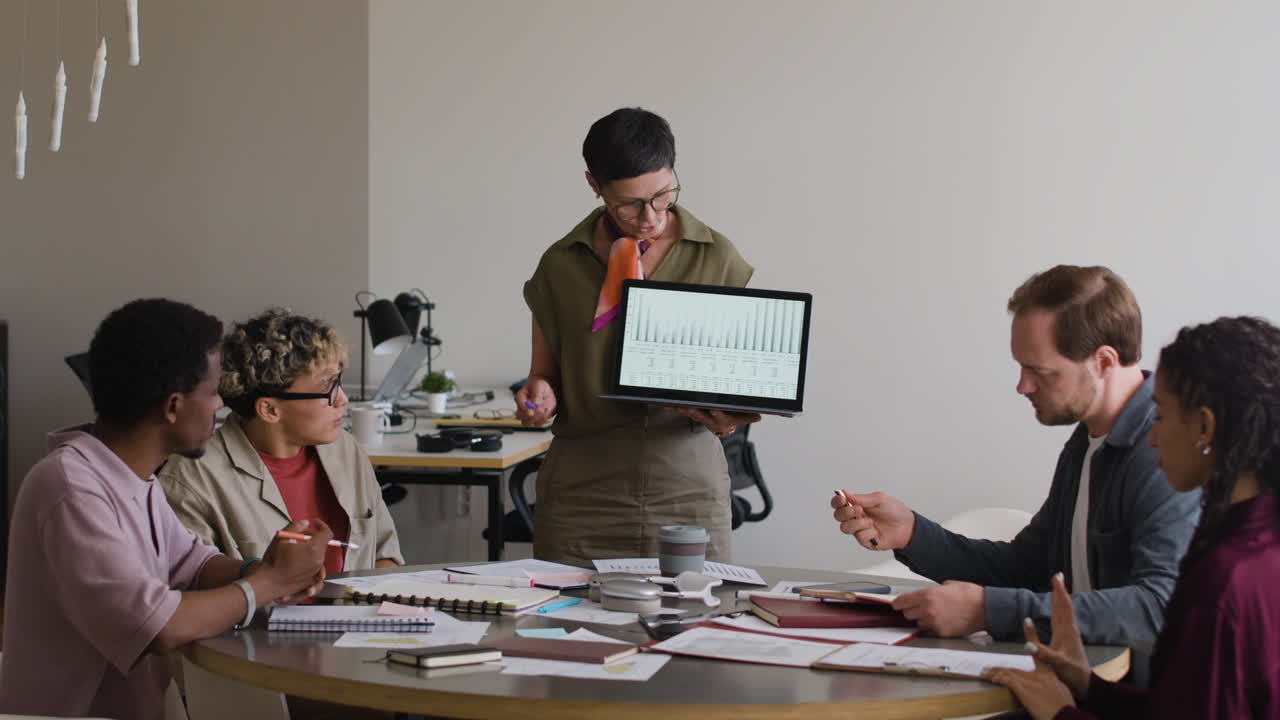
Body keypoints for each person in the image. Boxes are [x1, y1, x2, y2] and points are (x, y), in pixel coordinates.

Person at [831, 265, 1200, 680]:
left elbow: (1159, 606)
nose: (1022, 386)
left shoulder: (1164, 453)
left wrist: (989, 610)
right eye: (1021, 367)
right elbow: (1027, 567)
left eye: (1041, 373)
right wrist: (912, 533)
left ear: (1103, 361)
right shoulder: (1087, 444)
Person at [0, 299, 330, 720]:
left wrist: (265, 567)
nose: (219, 407)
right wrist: (268, 585)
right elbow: (158, 625)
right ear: (173, 406)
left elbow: (194, 564)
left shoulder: (134, 476)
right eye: (212, 392)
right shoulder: (69, 488)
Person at [986, 316, 1280, 719]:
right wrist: (1088, 686)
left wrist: (1061, 714)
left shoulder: (1225, 578)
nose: (1152, 436)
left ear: (1205, 426)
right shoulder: (1258, 543)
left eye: (1160, 415)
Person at [515, 107, 758, 565]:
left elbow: (736, 383)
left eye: (663, 195)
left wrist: (729, 416)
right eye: (628, 203)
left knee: (695, 627)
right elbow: (542, 376)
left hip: (686, 485)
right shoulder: (560, 264)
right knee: (573, 629)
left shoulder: (717, 258)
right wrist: (539, 396)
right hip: (582, 492)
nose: (650, 217)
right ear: (594, 185)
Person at [159, 308, 403, 575]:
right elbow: (189, 592)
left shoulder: (345, 449)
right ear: (270, 410)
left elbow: (386, 554)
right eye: (327, 387)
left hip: (359, 616)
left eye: (338, 381)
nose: (342, 398)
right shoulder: (191, 481)